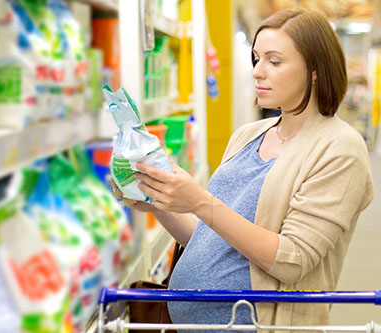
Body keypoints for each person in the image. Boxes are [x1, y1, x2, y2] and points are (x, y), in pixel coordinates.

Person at [111, 7, 374, 331]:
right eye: (256, 59)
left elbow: (292, 261)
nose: (257, 72)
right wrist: (156, 198)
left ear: (315, 70)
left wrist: (199, 201)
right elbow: (211, 240)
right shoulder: (249, 135)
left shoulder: (340, 149)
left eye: (274, 61)